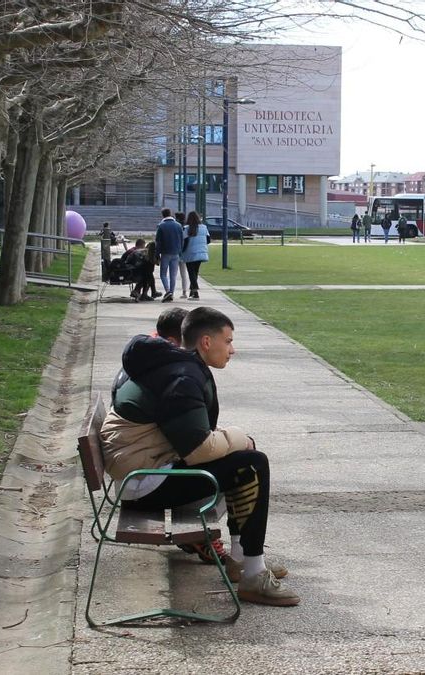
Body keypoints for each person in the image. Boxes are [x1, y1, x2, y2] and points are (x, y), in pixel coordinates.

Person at [102, 307, 299, 606]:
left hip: (142, 471)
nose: (233, 350)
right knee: (252, 463)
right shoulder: (183, 378)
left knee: (243, 460)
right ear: (206, 342)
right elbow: (198, 451)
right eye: (228, 341)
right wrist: (239, 437)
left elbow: (191, 435)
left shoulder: (176, 366)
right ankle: (253, 573)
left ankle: (242, 560)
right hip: (143, 484)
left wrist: (235, 442)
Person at [180, 211, 211, 300]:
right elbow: (208, 240)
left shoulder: (186, 228)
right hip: (201, 252)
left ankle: (195, 291)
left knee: (191, 272)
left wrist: (182, 252)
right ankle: (192, 291)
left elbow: (184, 242)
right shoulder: (204, 228)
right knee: (195, 272)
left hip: (190, 253)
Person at [154, 208, 183, 302]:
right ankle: (172, 292)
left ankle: (167, 291)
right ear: (171, 214)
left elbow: (158, 242)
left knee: (163, 274)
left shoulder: (161, 226)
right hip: (176, 253)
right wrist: (180, 251)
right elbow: (182, 240)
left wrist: (157, 254)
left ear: (163, 215)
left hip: (165, 253)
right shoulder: (179, 225)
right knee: (173, 275)